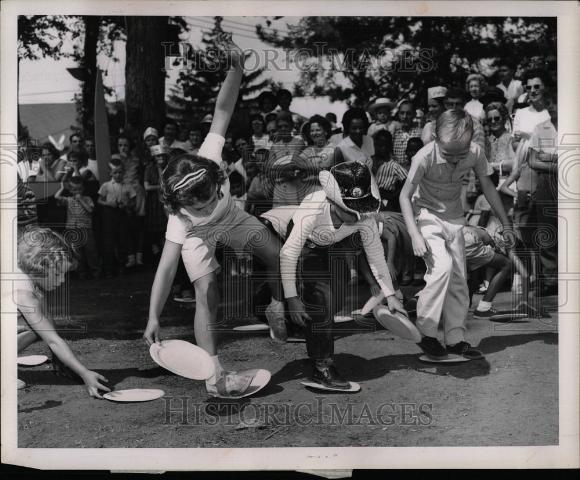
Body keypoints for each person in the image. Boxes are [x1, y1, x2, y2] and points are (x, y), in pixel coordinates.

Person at [143, 33, 289, 398]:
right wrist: (153, 316)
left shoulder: (209, 155)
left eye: (209, 197)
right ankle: (215, 374)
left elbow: (223, 110)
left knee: (277, 254)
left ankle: (275, 306)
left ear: (215, 178)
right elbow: (165, 269)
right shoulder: (180, 221)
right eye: (198, 205)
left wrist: (236, 68)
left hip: (233, 218)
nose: (205, 206)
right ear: (179, 206)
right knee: (207, 292)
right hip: (199, 237)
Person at [263, 161, 405, 390]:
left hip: (334, 245)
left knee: (335, 300)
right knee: (322, 300)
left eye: (361, 209)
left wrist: (391, 294)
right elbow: (289, 254)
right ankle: (322, 366)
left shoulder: (363, 215)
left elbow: (376, 256)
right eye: (351, 211)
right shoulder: (313, 209)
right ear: (332, 201)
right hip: (305, 245)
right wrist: (291, 299)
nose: (359, 216)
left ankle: (300, 317)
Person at [399, 109, 515, 360]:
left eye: (459, 154)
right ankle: (426, 333)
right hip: (426, 216)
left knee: (460, 280)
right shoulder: (424, 156)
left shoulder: (475, 152)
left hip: (455, 220)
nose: (454, 160)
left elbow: (489, 188)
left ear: (471, 142)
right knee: (441, 269)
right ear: (436, 140)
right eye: (448, 153)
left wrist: (506, 225)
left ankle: (455, 340)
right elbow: (404, 196)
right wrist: (415, 234)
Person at [16, 226, 110, 397]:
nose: (62, 280)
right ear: (40, 266)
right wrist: (84, 372)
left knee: (36, 327)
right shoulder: (24, 293)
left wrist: (60, 359)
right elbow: (52, 340)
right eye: (58, 274)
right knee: (34, 328)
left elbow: (48, 322)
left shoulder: (28, 277)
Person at [464, 225, 532, 318]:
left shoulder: (493, 234)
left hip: (462, 234)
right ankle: (484, 308)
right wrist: (524, 301)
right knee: (507, 265)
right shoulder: (509, 245)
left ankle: (465, 306)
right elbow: (525, 274)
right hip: (472, 240)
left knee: (473, 275)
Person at [54, 177, 100, 279]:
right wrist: (62, 187)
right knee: (77, 253)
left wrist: (81, 200)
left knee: (91, 251)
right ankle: (82, 273)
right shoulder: (69, 200)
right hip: (73, 229)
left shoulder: (87, 199)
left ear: (83, 189)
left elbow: (90, 210)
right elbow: (57, 197)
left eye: (79, 189)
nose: (77, 192)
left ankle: (95, 271)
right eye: (74, 190)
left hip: (86, 228)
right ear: (71, 191)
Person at [97, 158, 136, 278]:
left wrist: (127, 205)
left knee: (122, 241)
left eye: (120, 172)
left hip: (122, 214)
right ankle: (109, 269)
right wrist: (108, 204)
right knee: (109, 242)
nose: (118, 175)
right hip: (109, 214)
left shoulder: (128, 186)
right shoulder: (106, 185)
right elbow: (99, 200)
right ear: (110, 173)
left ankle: (121, 267)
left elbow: (133, 202)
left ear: (123, 172)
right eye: (115, 172)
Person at [114, 135, 146, 267]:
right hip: (123, 193)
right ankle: (130, 256)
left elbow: (140, 175)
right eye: (120, 145)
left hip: (137, 192)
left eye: (125, 145)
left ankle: (139, 257)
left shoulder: (136, 159)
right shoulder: (115, 159)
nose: (123, 148)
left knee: (139, 225)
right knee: (126, 227)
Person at [263, 111, 306, 207]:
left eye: (286, 126)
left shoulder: (299, 143)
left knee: (296, 217)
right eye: (280, 126)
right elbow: (269, 170)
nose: (283, 129)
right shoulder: (275, 147)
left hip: (295, 186)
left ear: (291, 126)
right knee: (279, 219)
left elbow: (294, 164)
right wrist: (284, 169)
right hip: (279, 188)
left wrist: (278, 167)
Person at [371, 130, 408, 212]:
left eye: (386, 146)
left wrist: (393, 196)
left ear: (390, 146)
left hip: (385, 203)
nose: (383, 148)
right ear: (375, 145)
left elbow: (407, 182)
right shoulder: (369, 161)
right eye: (380, 145)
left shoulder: (394, 166)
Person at [144, 144, 169, 260]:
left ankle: (165, 254)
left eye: (163, 156)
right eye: (158, 156)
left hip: (167, 200)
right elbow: (147, 186)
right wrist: (160, 187)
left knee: (166, 229)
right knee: (155, 230)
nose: (161, 159)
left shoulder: (169, 168)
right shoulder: (150, 168)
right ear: (154, 157)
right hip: (154, 202)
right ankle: (157, 254)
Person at [484, 101, 515, 185]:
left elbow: (515, 164)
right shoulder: (486, 141)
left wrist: (492, 166)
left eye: (497, 118)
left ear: (504, 118)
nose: (493, 121)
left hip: (507, 183)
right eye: (490, 119)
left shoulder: (511, 139)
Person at [392, 101, 423, 168]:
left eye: (408, 113)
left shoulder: (420, 133)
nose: (405, 116)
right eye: (402, 113)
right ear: (398, 114)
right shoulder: (395, 134)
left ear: (414, 114)